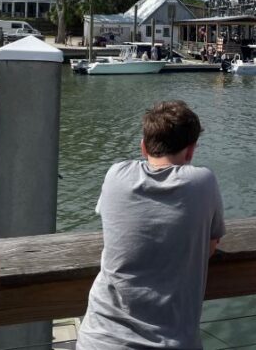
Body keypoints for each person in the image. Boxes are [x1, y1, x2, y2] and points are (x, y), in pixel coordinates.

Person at [76, 100, 226, 350]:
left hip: (99, 338)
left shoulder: (116, 175)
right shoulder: (203, 182)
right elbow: (210, 246)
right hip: (171, 342)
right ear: (190, 151)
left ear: (143, 147)